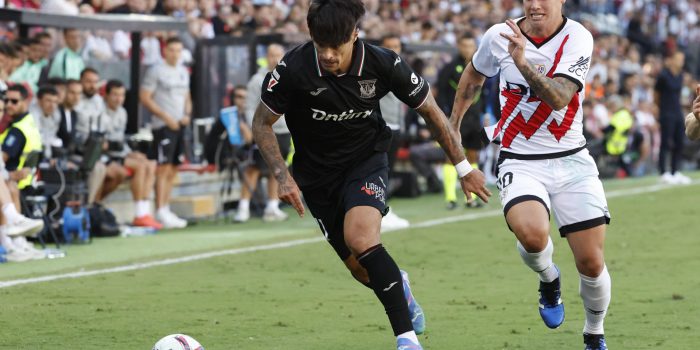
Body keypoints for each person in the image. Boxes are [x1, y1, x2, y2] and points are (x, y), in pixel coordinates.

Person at [252, 1, 490, 349]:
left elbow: (432, 113)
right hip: (316, 176)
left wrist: (464, 168)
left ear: (355, 35)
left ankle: (406, 340)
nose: (329, 55)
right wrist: (281, 174)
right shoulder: (293, 68)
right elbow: (262, 123)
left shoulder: (383, 62)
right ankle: (400, 284)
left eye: (337, 46)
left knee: (362, 239)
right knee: (361, 269)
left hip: (365, 160)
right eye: (322, 47)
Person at [450, 1, 611, 348]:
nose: (535, 4)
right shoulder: (500, 35)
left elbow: (559, 97)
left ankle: (594, 332)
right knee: (533, 236)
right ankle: (548, 277)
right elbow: (474, 74)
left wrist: (521, 62)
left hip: (571, 159)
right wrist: (453, 125)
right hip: (520, 159)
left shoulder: (577, 37)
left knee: (591, 262)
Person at [140, 37, 191, 229]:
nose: (175, 54)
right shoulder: (156, 71)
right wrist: (165, 116)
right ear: (165, 51)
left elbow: (187, 96)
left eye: (178, 50)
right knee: (163, 167)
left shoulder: (183, 71)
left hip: (179, 125)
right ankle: (160, 209)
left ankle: (166, 208)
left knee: (173, 168)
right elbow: (145, 97)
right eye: (172, 50)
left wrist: (187, 114)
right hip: (163, 126)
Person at [100, 80, 161, 229]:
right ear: (106, 95)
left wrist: (131, 153)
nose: (118, 99)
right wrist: (126, 155)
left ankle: (145, 212)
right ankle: (139, 215)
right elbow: (104, 144)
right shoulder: (100, 112)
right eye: (115, 94)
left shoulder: (122, 112)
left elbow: (120, 140)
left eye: (121, 95)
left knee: (149, 163)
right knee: (140, 167)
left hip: (119, 153)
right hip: (106, 157)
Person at [241, 44, 290, 223]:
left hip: (284, 130)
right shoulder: (257, 80)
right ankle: (243, 207)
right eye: (271, 55)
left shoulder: (289, 77)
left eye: (278, 55)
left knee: (277, 169)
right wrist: (254, 129)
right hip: (264, 130)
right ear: (266, 57)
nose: (275, 59)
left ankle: (272, 206)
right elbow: (249, 107)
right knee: (254, 168)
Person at [436, 32, 484, 209]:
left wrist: (484, 113)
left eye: (470, 46)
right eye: (464, 45)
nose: (467, 49)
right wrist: (444, 118)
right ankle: (450, 198)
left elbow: (483, 93)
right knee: (452, 157)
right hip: (455, 120)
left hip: (475, 120)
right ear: (458, 46)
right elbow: (439, 94)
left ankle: (470, 198)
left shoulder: (481, 66)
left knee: (472, 155)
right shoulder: (449, 68)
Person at [378, 33, 410, 230]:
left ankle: (382, 210)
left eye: (396, 46)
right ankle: (378, 212)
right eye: (389, 46)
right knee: (379, 171)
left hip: (397, 126)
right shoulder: (380, 68)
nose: (393, 49)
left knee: (387, 170)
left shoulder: (400, 67)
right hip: (384, 126)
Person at [655, 51, 691, 185]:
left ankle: (675, 171)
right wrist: (661, 109)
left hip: (677, 112)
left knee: (679, 141)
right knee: (665, 142)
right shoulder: (663, 76)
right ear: (672, 60)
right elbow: (656, 95)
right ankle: (663, 171)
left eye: (682, 59)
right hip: (666, 112)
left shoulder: (681, 76)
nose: (681, 62)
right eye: (679, 59)